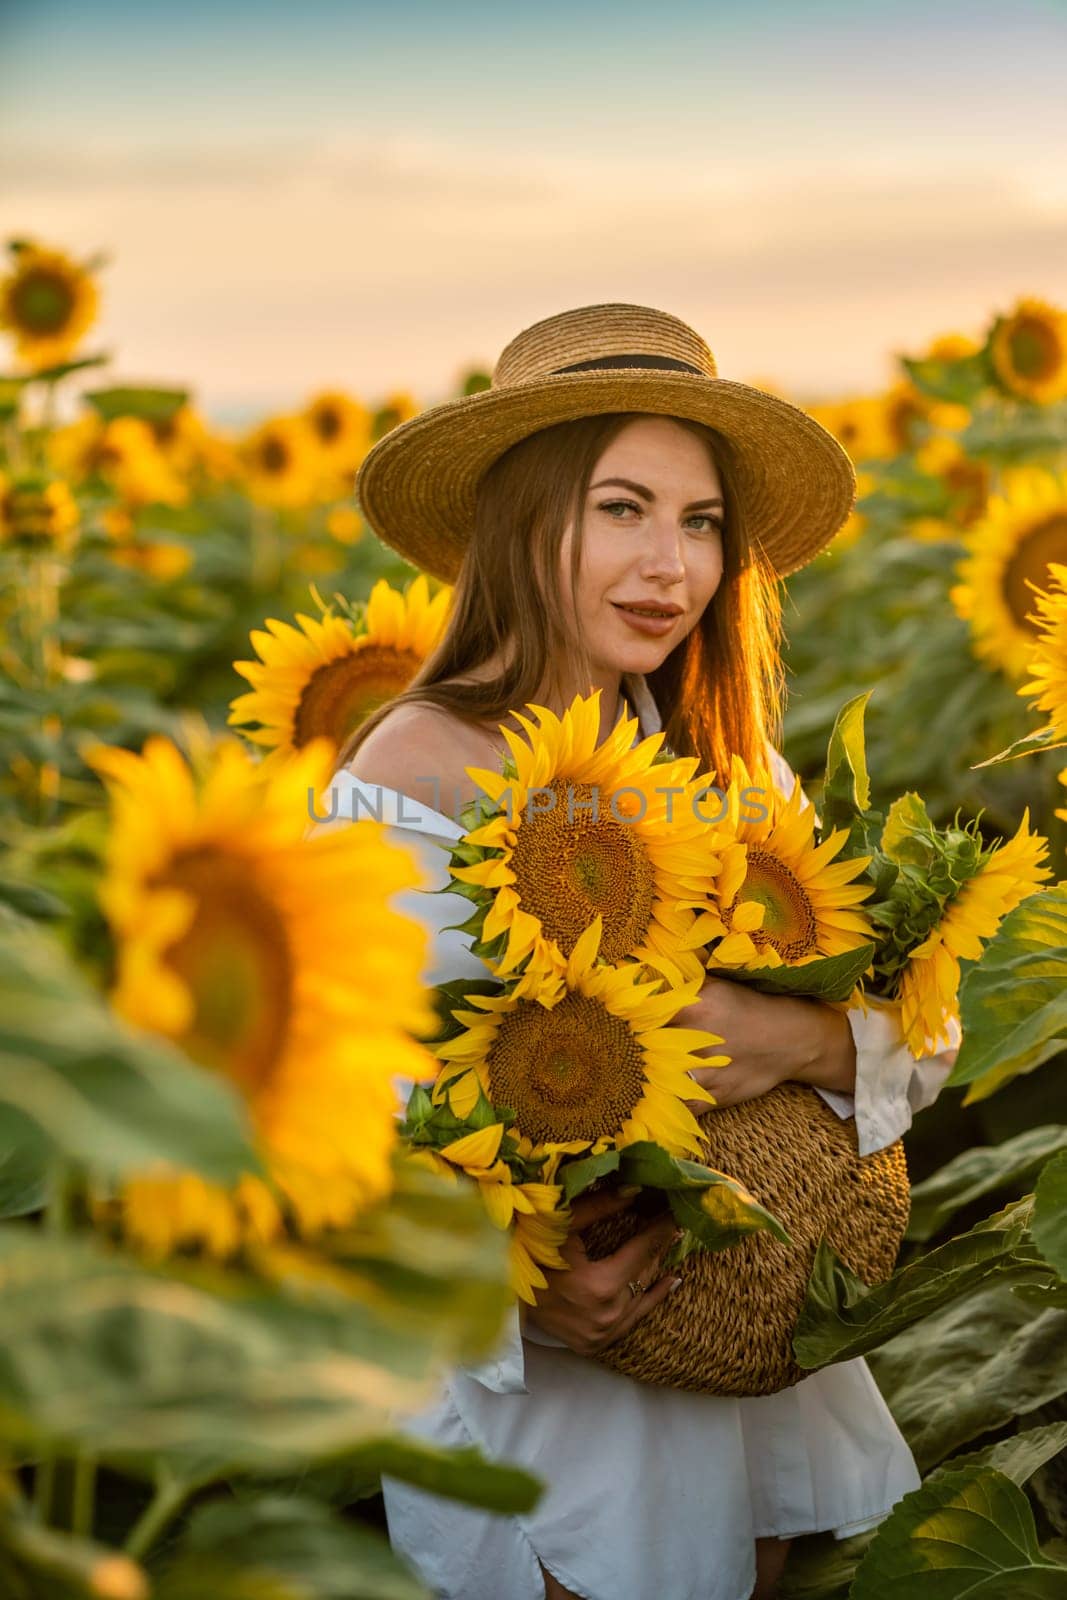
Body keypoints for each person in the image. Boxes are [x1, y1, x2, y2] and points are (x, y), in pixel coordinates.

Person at [317, 304, 960, 1600]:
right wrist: (520, 1289)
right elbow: (337, 1140)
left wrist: (797, 1036)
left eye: (701, 520)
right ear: (523, 521)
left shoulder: (728, 765)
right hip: (536, 1410)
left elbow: (927, 1034)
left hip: (741, 1376)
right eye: (621, 507)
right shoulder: (411, 777)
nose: (670, 563)